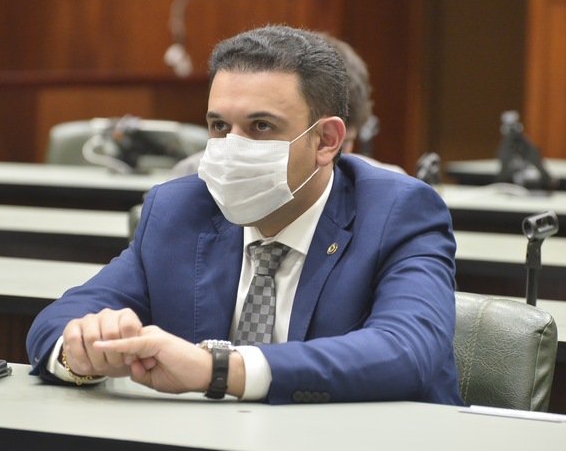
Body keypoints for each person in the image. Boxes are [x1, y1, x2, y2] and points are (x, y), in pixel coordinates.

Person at [26, 25, 462, 405]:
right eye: (219, 126)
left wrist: (218, 369)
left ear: (327, 140)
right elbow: (59, 320)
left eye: (261, 127)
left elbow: (405, 351)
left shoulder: (397, 213)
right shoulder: (180, 209)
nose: (232, 148)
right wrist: (82, 350)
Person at [162, 32, 405, 180]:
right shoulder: (192, 178)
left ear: (329, 139)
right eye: (219, 125)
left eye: (345, 145)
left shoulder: (388, 191)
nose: (336, 157)